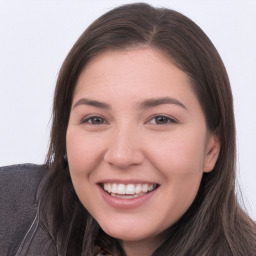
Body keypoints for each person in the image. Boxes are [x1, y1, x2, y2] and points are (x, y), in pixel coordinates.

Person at [0, 3, 255, 256]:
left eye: (161, 120)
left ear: (211, 149)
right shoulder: (10, 208)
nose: (121, 155)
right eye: (96, 120)